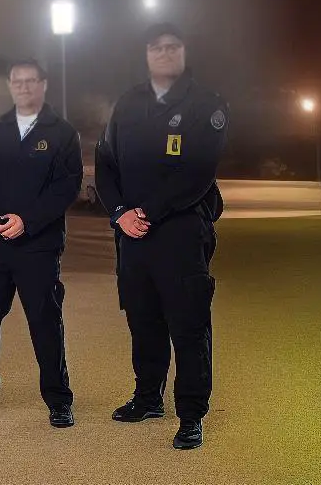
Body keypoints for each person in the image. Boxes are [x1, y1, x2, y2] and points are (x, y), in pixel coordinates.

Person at [95, 23, 227, 450]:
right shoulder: (128, 103)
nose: (164, 53)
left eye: (173, 47)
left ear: (184, 53)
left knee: (188, 324)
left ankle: (191, 414)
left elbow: (197, 172)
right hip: (131, 232)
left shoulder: (206, 104)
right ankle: (148, 397)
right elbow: (105, 163)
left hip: (181, 230)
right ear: (147, 55)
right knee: (143, 319)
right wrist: (119, 214)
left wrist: (146, 212)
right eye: (156, 47)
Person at [0, 59, 82, 428]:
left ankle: (59, 399)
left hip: (38, 246)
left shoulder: (62, 133)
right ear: (10, 86)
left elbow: (66, 188)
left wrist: (27, 221)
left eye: (31, 81)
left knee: (45, 321)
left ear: (43, 85)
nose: (24, 87)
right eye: (17, 82)